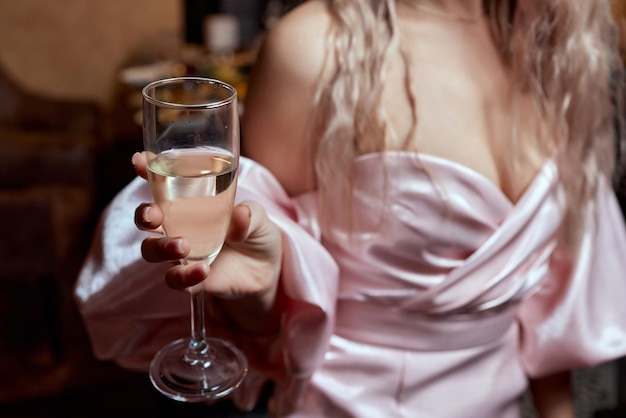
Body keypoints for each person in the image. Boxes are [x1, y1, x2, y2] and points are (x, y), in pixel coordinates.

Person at [75, 0, 626, 417]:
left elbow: (550, 328)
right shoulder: (318, 48)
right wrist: (260, 292)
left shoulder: (559, 46)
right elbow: (265, 307)